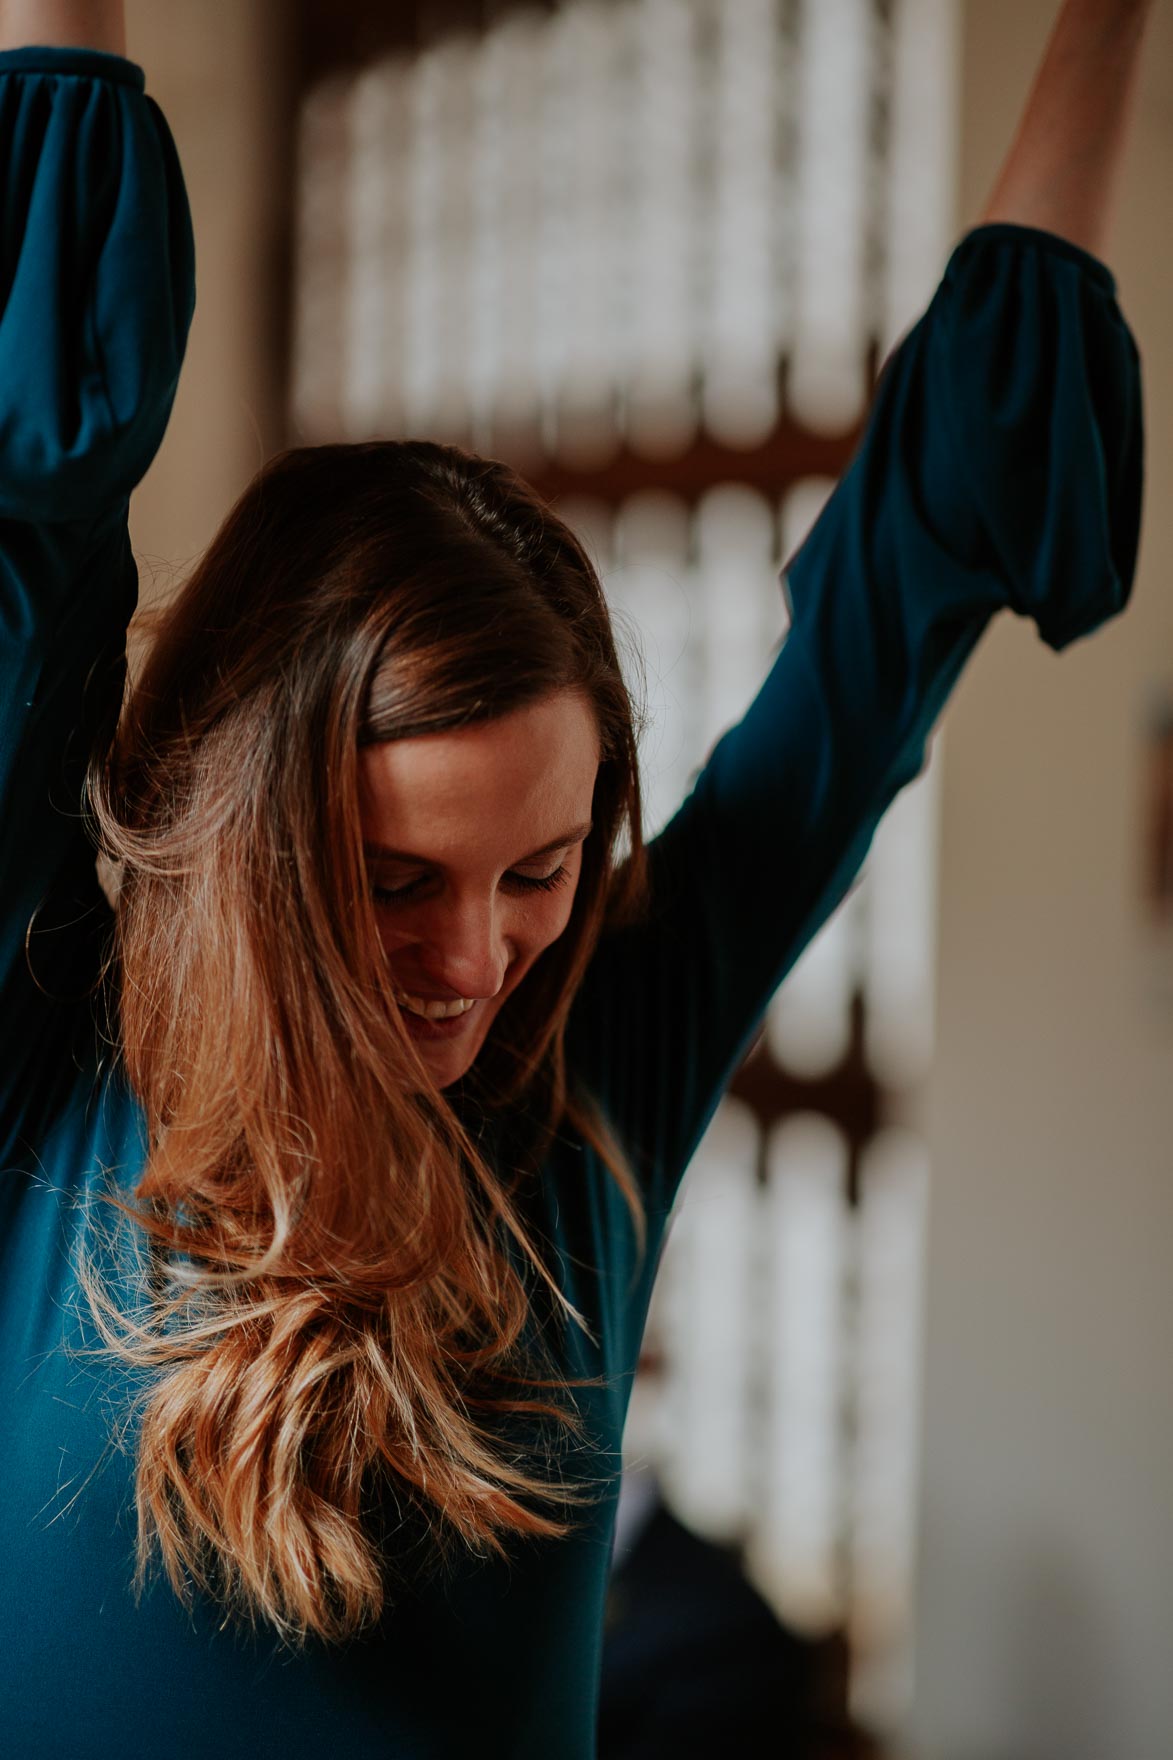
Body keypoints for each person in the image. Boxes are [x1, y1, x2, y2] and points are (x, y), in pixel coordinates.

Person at [0, 1, 1154, 1755]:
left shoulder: (599, 1076)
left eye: (539, 868)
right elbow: (40, 477)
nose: (480, 961)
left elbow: (898, 595)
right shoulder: (51, 1055)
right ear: (248, 847)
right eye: (394, 880)